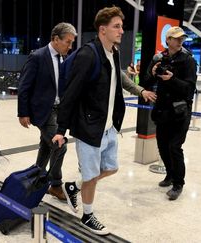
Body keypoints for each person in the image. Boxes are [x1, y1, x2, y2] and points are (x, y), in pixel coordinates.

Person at [52, 7, 156, 235]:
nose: (121, 30)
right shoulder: (88, 54)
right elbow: (71, 93)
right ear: (102, 30)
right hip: (90, 127)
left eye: (121, 26)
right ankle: (88, 216)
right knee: (91, 176)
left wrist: (139, 91)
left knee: (111, 168)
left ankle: (73, 186)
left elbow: (119, 79)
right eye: (116, 26)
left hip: (108, 127)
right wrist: (61, 129)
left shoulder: (113, 52)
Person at [17, 22, 77, 201]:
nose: (70, 46)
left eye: (72, 42)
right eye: (68, 42)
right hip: (43, 111)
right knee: (60, 145)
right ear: (55, 39)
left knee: (46, 146)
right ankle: (55, 184)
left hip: (58, 110)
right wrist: (23, 112)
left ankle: (36, 179)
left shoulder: (62, 57)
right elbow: (24, 86)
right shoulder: (38, 56)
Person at [145, 26, 197, 200]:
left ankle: (178, 183)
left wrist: (172, 79)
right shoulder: (159, 58)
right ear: (167, 40)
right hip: (162, 110)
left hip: (180, 111)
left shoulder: (188, 60)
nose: (179, 40)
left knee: (175, 147)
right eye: (175, 38)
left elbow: (189, 89)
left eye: (181, 38)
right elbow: (146, 80)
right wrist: (153, 74)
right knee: (162, 146)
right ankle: (169, 174)